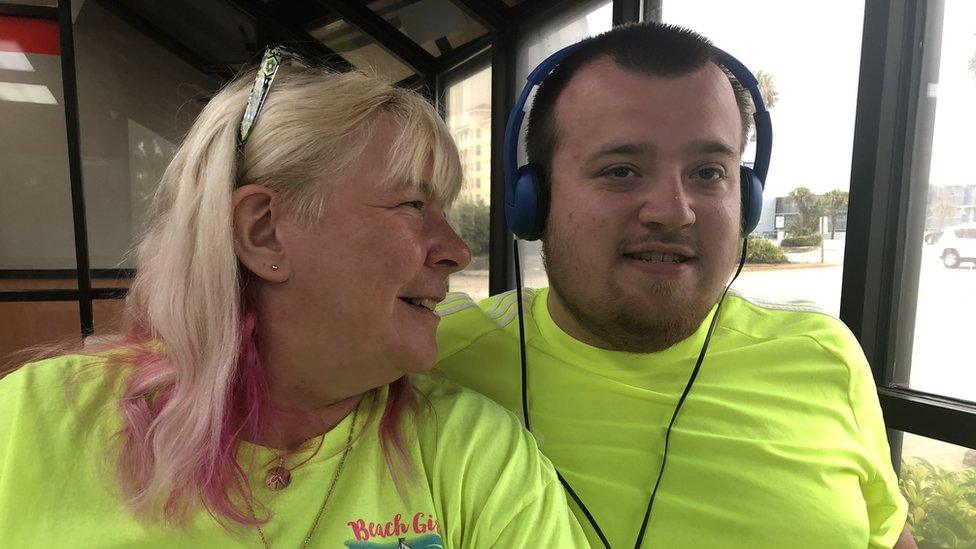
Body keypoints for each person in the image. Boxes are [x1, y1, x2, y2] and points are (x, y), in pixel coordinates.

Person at [0, 48, 587, 548]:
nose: (457, 250)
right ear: (264, 231)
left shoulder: (474, 451)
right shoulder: (29, 423)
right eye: (413, 205)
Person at [436, 23, 916, 548]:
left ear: (747, 199)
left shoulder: (824, 353)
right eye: (621, 170)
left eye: (709, 173)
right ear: (535, 200)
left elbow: (890, 537)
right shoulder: (431, 358)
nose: (673, 212)